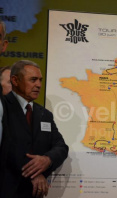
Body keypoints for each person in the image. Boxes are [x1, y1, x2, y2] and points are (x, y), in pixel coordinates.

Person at [0, 60, 69, 198]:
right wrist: (34, 172)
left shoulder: (44, 114)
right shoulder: (3, 107)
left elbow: (61, 147)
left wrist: (47, 160)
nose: (38, 85)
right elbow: (7, 148)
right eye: (33, 80)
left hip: (34, 193)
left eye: (40, 80)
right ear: (15, 80)